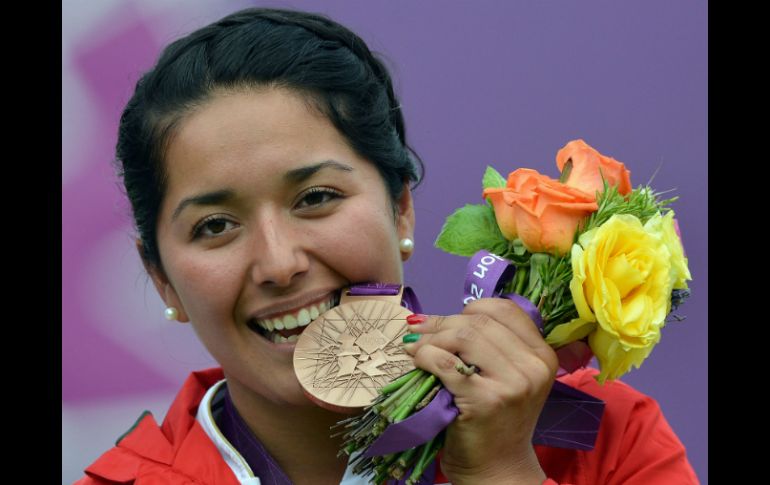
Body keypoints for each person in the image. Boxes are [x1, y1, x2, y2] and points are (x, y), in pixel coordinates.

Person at [75, 7, 698, 485]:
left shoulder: (601, 436)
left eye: (315, 197)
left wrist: (502, 471)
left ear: (400, 204)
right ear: (161, 278)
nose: (279, 262)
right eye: (215, 226)